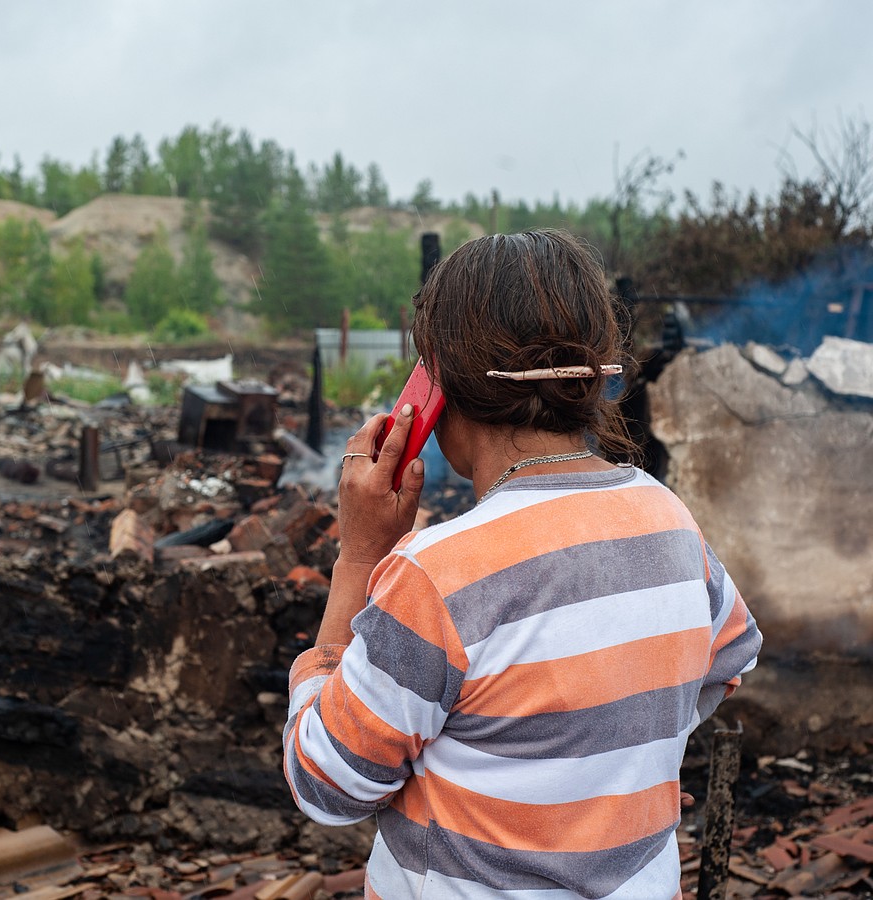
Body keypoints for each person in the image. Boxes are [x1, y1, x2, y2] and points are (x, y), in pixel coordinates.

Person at [282, 230, 762, 899]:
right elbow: (730, 661)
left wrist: (360, 555)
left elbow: (326, 783)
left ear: (436, 387)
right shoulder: (669, 520)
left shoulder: (435, 575)